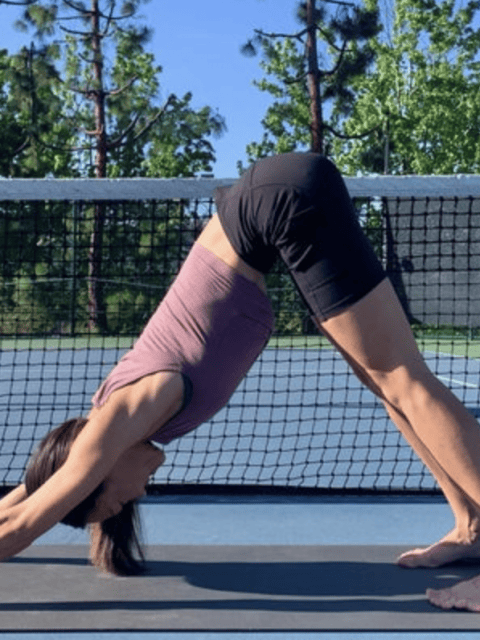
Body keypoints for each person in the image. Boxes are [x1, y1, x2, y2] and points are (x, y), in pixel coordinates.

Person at [2, 154, 480, 590]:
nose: (140, 494)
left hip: (278, 203)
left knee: (401, 375)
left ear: (96, 473)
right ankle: (470, 525)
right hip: (269, 208)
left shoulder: (120, 418)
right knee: (382, 381)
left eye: (119, 501)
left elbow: (26, 524)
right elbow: (23, 500)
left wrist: (65, 497)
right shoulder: (109, 431)